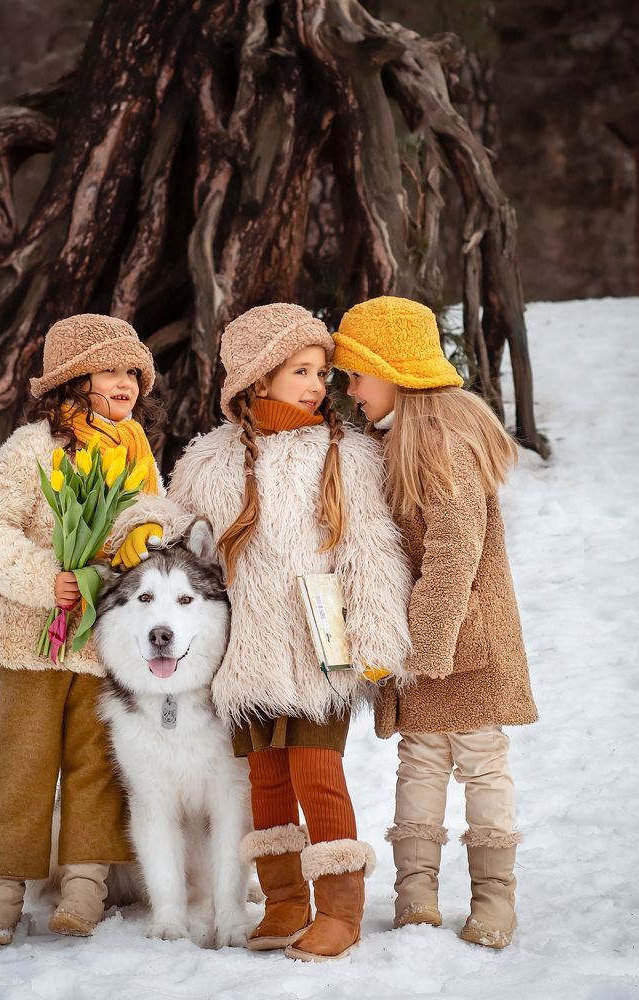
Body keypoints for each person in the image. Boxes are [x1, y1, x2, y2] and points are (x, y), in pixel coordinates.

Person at [109, 303, 412, 961]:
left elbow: (369, 550)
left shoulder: (347, 455)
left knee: (316, 774)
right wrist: (143, 525)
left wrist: (376, 638)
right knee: (265, 779)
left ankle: (338, 907)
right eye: (300, 370)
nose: (315, 384)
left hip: (318, 647)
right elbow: (184, 523)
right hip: (244, 652)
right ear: (255, 378)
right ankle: (280, 902)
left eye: (321, 372)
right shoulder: (213, 459)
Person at [332, 295, 538, 949]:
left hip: (463, 640)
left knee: (479, 761)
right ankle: (414, 894)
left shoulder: (445, 443)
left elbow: (454, 555)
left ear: (393, 370)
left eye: (355, 375)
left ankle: (492, 898)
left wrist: (427, 645)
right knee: (419, 763)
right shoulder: (384, 443)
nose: (349, 390)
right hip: (417, 642)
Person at [0, 313, 160, 946]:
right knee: (21, 762)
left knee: (95, 765)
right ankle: (1, 892)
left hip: (103, 644)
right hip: (32, 639)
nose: (125, 383)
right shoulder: (32, 449)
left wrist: (144, 543)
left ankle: (83, 886)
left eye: (133, 371)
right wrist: (49, 577)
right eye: (110, 370)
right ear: (73, 382)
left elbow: (151, 518)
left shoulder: (137, 455)